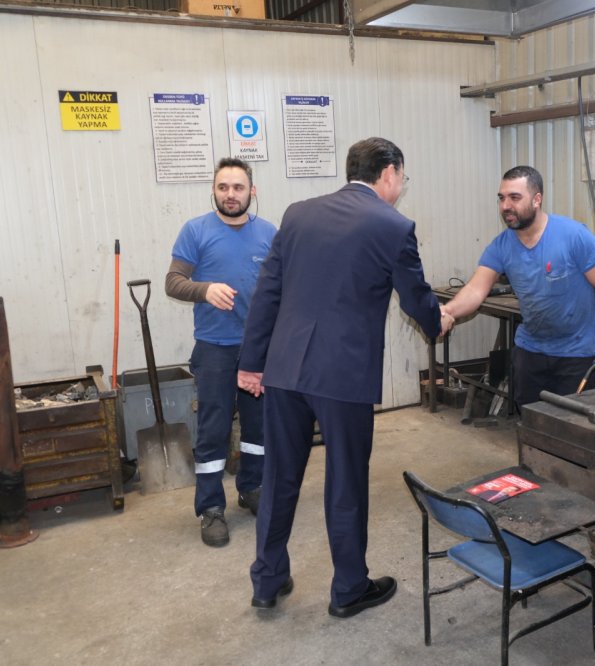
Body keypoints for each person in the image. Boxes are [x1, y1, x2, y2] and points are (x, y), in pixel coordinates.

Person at [237, 137, 453, 618]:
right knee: (346, 481)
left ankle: (267, 581)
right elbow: (416, 298)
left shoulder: (298, 214)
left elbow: (267, 292)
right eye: (402, 178)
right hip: (344, 375)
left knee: (279, 478)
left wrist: (251, 362)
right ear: (389, 172)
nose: (401, 186)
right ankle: (350, 588)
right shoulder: (393, 226)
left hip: (285, 369)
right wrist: (438, 321)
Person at [442, 165, 595, 409]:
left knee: (575, 427)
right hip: (531, 351)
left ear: (537, 199)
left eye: (515, 197)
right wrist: (448, 311)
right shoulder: (501, 246)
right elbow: (476, 289)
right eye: (502, 198)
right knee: (532, 424)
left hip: (577, 354)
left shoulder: (573, 236)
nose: (505, 206)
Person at [165, 157, 276, 548]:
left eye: (238, 187)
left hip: (259, 349)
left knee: (259, 427)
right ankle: (211, 507)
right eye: (223, 187)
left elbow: (283, 287)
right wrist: (205, 289)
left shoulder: (269, 233)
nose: (231, 194)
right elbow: (173, 282)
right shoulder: (196, 230)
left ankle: (252, 487)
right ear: (213, 190)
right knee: (213, 431)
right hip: (214, 349)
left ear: (252, 191)